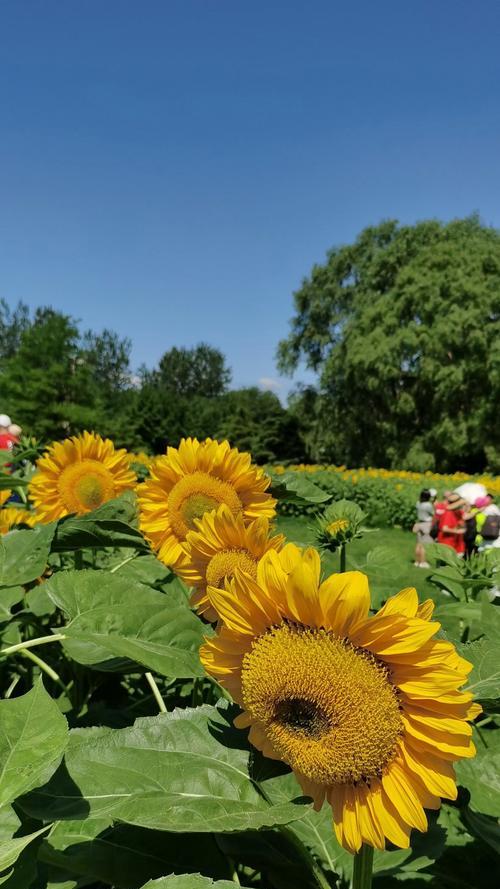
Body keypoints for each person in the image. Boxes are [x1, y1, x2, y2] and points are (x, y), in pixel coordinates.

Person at [413, 489, 433, 568]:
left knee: (418, 543)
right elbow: (432, 513)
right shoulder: (428, 505)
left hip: (419, 523)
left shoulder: (418, 503)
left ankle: (417, 561)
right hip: (427, 524)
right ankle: (423, 562)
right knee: (424, 545)